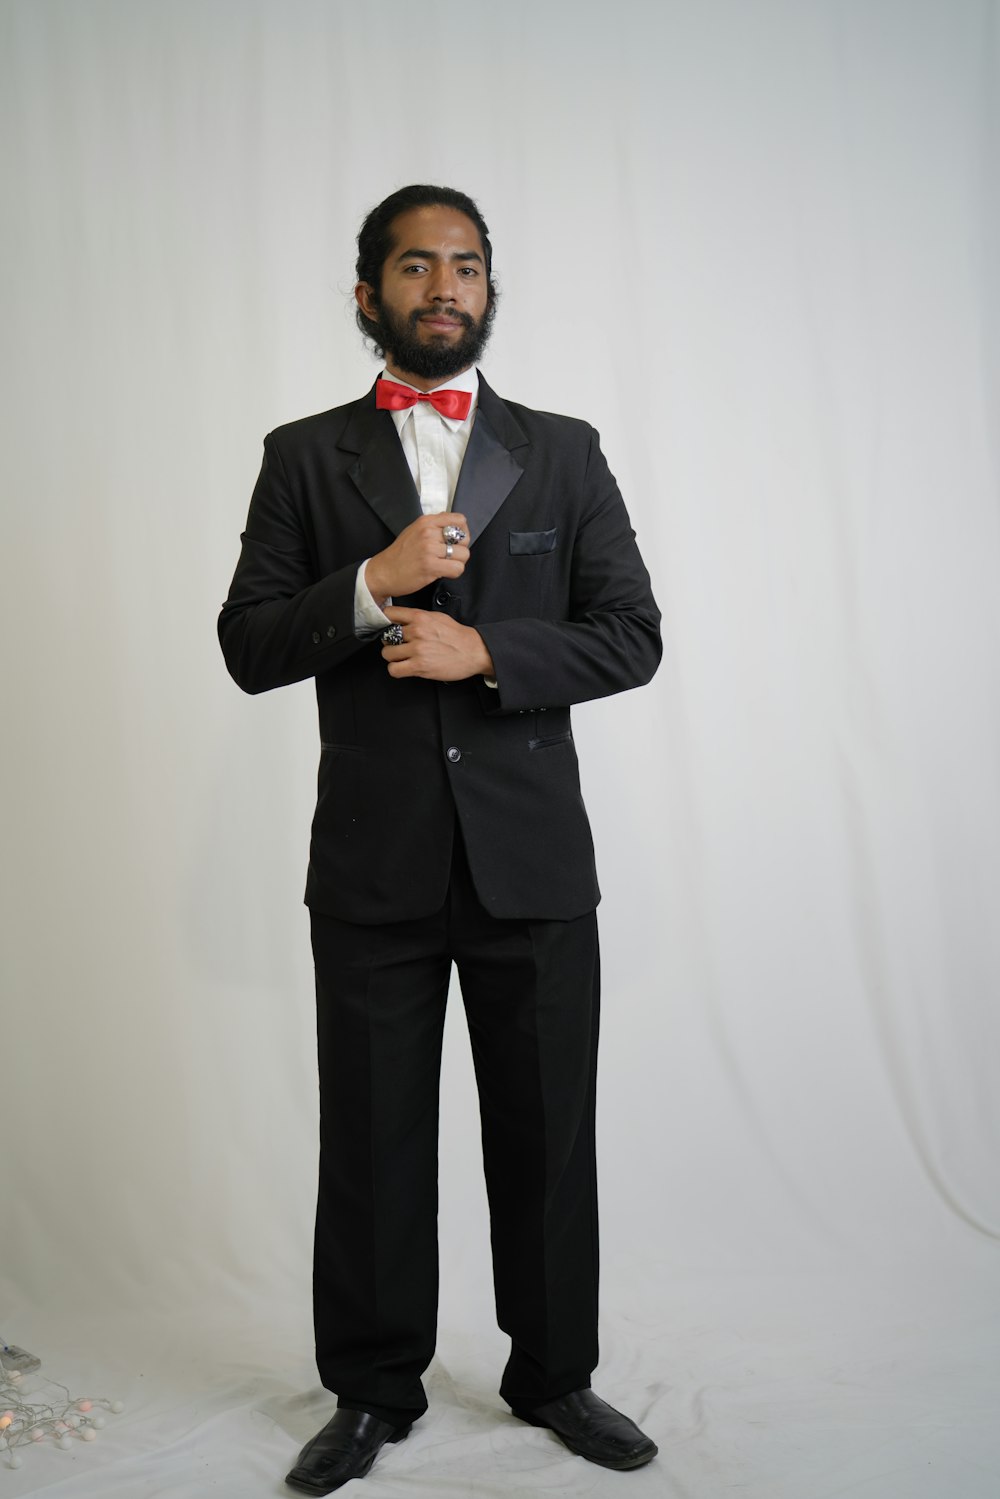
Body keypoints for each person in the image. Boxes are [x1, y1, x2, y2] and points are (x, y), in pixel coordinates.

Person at [219, 184, 662, 1496]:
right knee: (370, 1141)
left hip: (531, 866)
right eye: (417, 267)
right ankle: (369, 1393)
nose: (444, 288)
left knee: (547, 1135)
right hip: (374, 864)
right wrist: (373, 586)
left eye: (466, 266)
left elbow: (632, 631)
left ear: (489, 289)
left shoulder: (564, 450)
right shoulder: (305, 455)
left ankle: (556, 1376)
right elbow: (248, 646)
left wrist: (490, 649)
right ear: (370, 295)